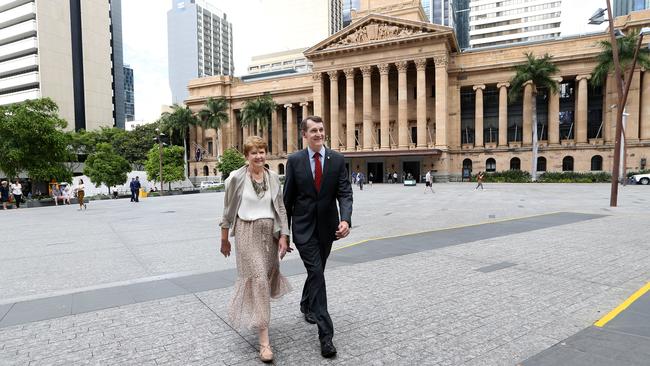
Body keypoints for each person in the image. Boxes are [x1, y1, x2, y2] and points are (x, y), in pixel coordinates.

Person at [283, 116, 353, 358]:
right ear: (304, 134)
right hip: (303, 230)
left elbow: (345, 193)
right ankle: (326, 335)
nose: (318, 134)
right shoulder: (294, 161)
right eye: (313, 130)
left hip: (327, 229)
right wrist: (285, 233)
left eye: (321, 130)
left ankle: (305, 304)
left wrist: (345, 219)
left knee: (317, 270)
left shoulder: (337, 160)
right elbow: (287, 200)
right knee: (316, 273)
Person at [220, 136, 291, 363]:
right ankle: (264, 342)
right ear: (246, 156)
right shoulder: (235, 178)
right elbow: (228, 211)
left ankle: (259, 315)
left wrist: (284, 236)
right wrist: (224, 239)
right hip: (246, 232)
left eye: (262, 151)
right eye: (254, 152)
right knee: (259, 278)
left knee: (264, 279)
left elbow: (280, 207)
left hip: (269, 233)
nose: (259, 156)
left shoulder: (272, 178)